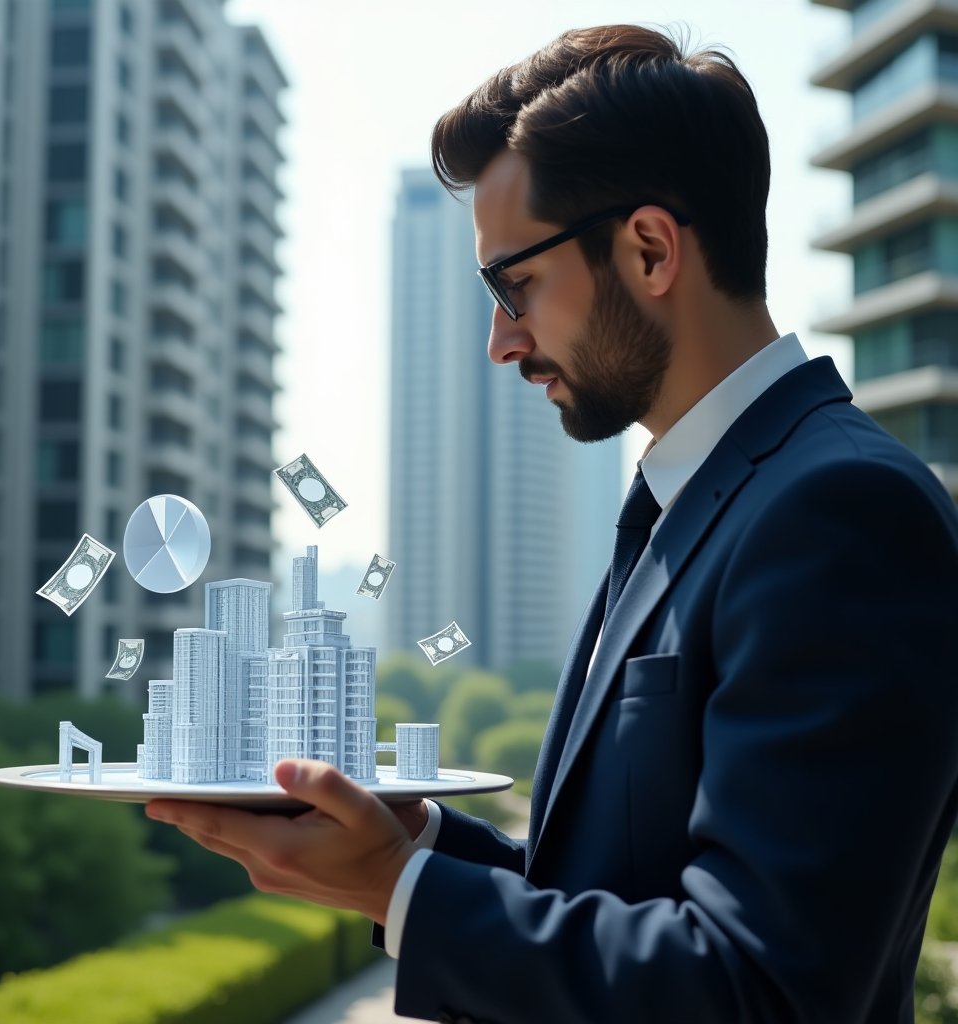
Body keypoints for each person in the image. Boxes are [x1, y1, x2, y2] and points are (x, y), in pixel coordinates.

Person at [145, 24, 958, 1023]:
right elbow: (612, 894)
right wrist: (411, 843)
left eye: (513, 283)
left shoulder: (840, 513)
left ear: (650, 249)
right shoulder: (687, 500)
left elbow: (753, 985)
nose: (500, 340)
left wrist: (399, 892)